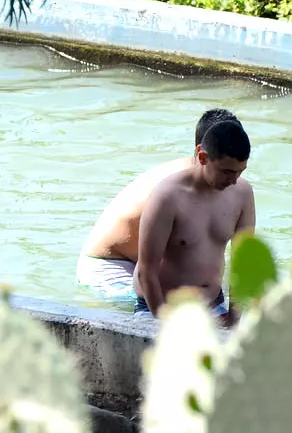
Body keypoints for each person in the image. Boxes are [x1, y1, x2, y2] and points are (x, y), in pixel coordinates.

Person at [79, 108, 257, 318]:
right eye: (226, 171)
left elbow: (243, 261)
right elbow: (147, 270)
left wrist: (234, 316)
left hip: (204, 299)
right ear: (202, 155)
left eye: (240, 171)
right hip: (111, 264)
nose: (233, 180)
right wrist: (163, 321)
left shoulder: (239, 190)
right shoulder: (167, 193)